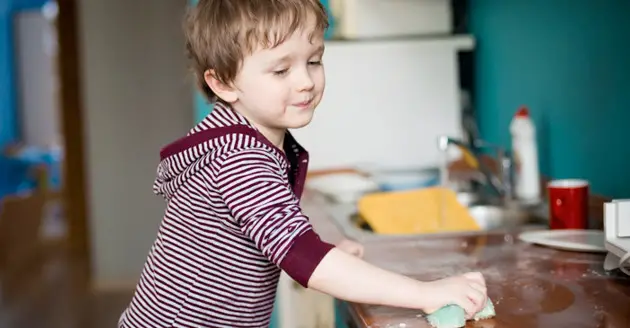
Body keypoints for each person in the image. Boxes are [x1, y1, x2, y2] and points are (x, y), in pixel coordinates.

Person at [117, 0, 488, 327]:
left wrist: (318, 248)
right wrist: (427, 294)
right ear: (224, 82)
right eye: (281, 71)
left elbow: (270, 229)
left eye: (313, 61)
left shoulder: (242, 139)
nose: (306, 82)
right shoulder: (239, 158)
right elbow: (302, 258)